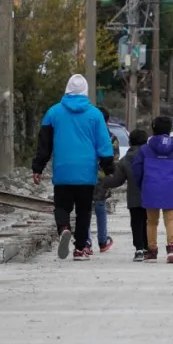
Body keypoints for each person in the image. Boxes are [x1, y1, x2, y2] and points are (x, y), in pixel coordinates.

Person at [31, 74, 115, 261]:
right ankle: (79, 249)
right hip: (86, 173)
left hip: (63, 170)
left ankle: (64, 228)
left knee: (61, 206)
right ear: (86, 91)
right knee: (84, 211)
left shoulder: (53, 113)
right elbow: (104, 145)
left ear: (67, 89)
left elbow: (44, 145)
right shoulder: (95, 115)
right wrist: (109, 168)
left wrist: (38, 168)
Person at [133, 116, 173, 264]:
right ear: (170, 131)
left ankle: (152, 250)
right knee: (170, 219)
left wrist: (142, 185)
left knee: (151, 221)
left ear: (153, 129)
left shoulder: (145, 150)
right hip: (171, 188)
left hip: (150, 187)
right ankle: (171, 249)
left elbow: (137, 171)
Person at [99, 128, 149, 262]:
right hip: (152, 196)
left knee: (136, 222)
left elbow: (117, 181)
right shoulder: (151, 157)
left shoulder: (126, 160)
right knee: (149, 222)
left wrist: (102, 181)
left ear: (130, 142)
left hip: (134, 198)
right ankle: (149, 248)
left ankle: (139, 249)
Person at [85, 107, 118, 255]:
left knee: (84, 208)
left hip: (84, 175)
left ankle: (86, 241)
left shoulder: (86, 134)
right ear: (107, 121)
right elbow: (114, 160)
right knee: (100, 207)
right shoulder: (112, 138)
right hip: (102, 178)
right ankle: (103, 241)